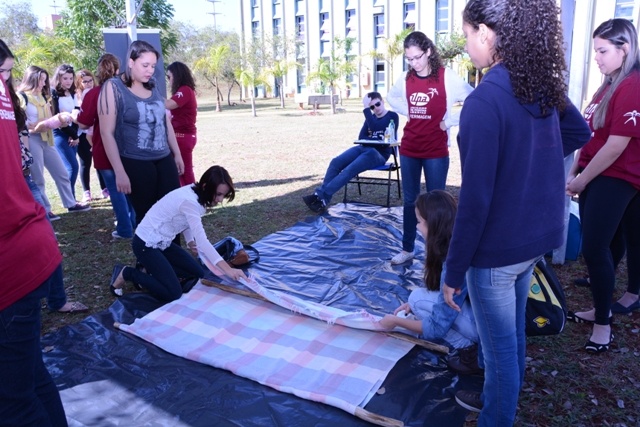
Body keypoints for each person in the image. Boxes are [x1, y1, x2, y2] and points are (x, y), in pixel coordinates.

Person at [441, 0, 591, 423]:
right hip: (533, 240)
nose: (467, 45)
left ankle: (496, 417)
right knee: (511, 341)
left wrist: (453, 274)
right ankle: (501, 406)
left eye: (467, 35)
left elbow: (474, 202)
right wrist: (532, 162)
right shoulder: (537, 83)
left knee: (500, 352)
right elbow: (578, 130)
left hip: (497, 252)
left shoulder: (484, 101)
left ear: (485, 34)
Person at [0, 38, 68, 427]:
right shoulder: (10, 99)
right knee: (27, 377)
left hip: (15, 258)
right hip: (29, 246)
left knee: (12, 399)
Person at [566, 19, 640, 350]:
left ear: (624, 49)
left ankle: (603, 325)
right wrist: (576, 169)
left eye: (602, 51)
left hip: (617, 176)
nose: (596, 57)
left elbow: (616, 144)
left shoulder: (632, 85)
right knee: (605, 248)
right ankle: (601, 306)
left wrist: (582, 178)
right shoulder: (607, 85)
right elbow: (590, 130)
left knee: (593, 247)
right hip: (596, 173)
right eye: (595, 50)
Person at [386, 31, 474, 265]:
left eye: (417, 57)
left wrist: (449, 121)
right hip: (409, 149)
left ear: (429, 52)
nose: (414, 63)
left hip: (435, 151)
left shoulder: (447, 77)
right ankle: (407, 249)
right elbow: (391, 98)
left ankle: (438, 254)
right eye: (409, 59)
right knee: (409, 201)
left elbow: (474, 100)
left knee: (437, 203)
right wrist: (409, 110)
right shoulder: (406, 79)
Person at [109, 165, 248, 302]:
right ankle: (128, 273)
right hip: (146, 244)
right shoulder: (190, 201)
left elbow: (185, 219)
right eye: (218, 194)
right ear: (206, 186)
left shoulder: (198, 194)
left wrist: (189, 241)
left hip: (163, 242)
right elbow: (203, 242)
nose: (220, 200)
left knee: (197, 273)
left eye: (223, 195)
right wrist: (228, 270)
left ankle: (150, 270)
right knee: (173, 293)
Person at [379, 191, 478, 352]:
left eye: (419, 221)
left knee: (417, 299)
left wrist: (396, 322)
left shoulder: (453, 263)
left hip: (485, 328)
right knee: (418, 300)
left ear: (432, 224)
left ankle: (466, 348)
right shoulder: (460, 241)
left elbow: (436, 328)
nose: (417, 227)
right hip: (491, 320)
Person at [99, 40, 184, 224]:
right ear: (131, 62)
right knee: (148, 218)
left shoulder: (152, 84)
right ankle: (150, 253)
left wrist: (176, 153)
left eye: (153, 66)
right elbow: (106, 133)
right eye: (145, 65)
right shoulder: (113, 88)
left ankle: (173, 253)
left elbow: (165, 122)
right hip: (135, 161)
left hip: (163, 158)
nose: (150, 70)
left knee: (173, 215)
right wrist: (119, 171)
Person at [302, 92, 399, 213]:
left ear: (382, 102)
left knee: (350, 169)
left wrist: (366, 110)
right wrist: (375, 138)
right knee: (336, 162)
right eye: (371, 107)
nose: (375, 108)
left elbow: (374, 128)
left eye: (377, 104)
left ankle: (320, 196)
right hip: (363, 148)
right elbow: (361, 136)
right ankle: (323, 200)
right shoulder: (371, 118)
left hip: (378, 154)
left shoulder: (392, 116)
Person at [18, 65, 90, 220]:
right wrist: (39, 124)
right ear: (32, 80)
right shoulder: (22, 96)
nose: (44, 84)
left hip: (47, 137)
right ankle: (45, 210)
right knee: (38, 177)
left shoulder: (44, 96)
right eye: (41, 80)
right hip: (32, 139)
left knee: (62, 172)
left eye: (45, 80)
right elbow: (22, 123)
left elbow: (51, 117)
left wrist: (57, 120)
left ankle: (70, 203)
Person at [77, 53, 137, 239]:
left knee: (115, 189)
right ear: (118, 70)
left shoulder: (94, 93)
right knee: (131, 189)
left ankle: (125, 229)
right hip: (129, 147)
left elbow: (83, 123)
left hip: (104, 147)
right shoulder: (129, 90)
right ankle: (135, 224)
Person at [75, 68, 107, 202]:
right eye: (84, 82)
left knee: (99, 160)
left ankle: (104, 188)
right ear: (79, 83)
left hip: (96, 131)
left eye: (90, 81)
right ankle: (86, 191)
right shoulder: (76, 97)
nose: (88, 84)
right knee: (85, 162)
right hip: (82, 133)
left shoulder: (97, 93)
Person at [51, 64, 81, 198]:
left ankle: (71, 199)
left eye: (70, 78)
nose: (68, 81)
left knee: (72, 167)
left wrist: (74, 134)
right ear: (59, 78)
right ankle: (70, 200)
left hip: (73, 133)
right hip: (59, 134)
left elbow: (76, 113)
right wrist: (73, 135)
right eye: (65, 78)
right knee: (72, 167)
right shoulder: (53, 93)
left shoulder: (74, 92)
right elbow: (57, 118)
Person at [165, 61, 198, 187]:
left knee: (185, 171)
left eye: (169, 77)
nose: (169, 81)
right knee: (180, 171)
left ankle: (194, 197)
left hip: (183, 137)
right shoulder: (184, 91)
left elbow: (169, 104)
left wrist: (151, 95)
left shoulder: (185, 90)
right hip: (182, 136)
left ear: (177, 75)